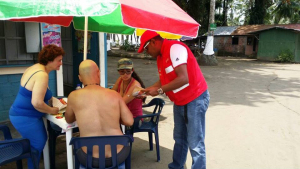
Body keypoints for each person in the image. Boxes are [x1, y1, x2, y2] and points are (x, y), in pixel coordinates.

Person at [138, 30, 210, 169]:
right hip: (180, 101)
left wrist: (158, 91)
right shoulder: (160, 57)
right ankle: (177, 166)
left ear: (153, 42)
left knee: (195, 142)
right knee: (179, 138)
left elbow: (183, 78)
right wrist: (150, 89)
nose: (147, 52)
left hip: (195, 98)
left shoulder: (175, 48)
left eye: (146, 48)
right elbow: (166, 77)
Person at [65, 60, 133, 168]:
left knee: (81, 155)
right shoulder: (114, 95)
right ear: (98, 73)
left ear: (80, 78)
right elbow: (129, 121)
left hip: (90, 158)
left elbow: (68, 120)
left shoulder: (73, 96)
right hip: (118, 154)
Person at [9, 44, 64, 169]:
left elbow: (37, 92)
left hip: (20, 114)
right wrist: (52, 110)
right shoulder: (42, 75)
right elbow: (37, 103)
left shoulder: (35, 68)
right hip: (25, 117)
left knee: (34, 145)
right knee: (36, 146)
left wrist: (51, 100)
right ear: (50, 60)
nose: (61, 63)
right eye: (59, 60)